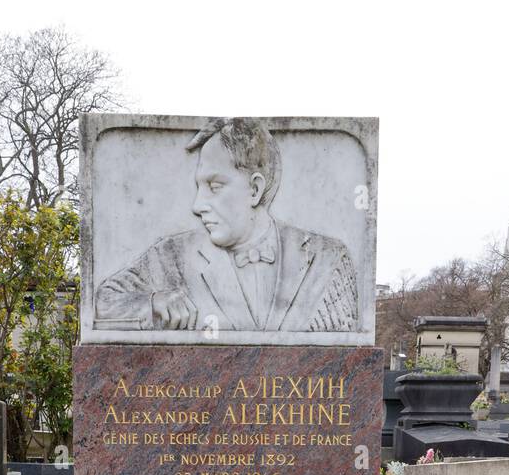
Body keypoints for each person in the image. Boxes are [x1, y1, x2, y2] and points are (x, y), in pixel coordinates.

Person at [95, 117, 358, 332]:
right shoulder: (173, 256)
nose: (197, 206)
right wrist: (153, 302)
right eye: (199, 187)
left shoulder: (327, 260)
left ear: (254, 189)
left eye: (214, 186)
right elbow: (102, 302)